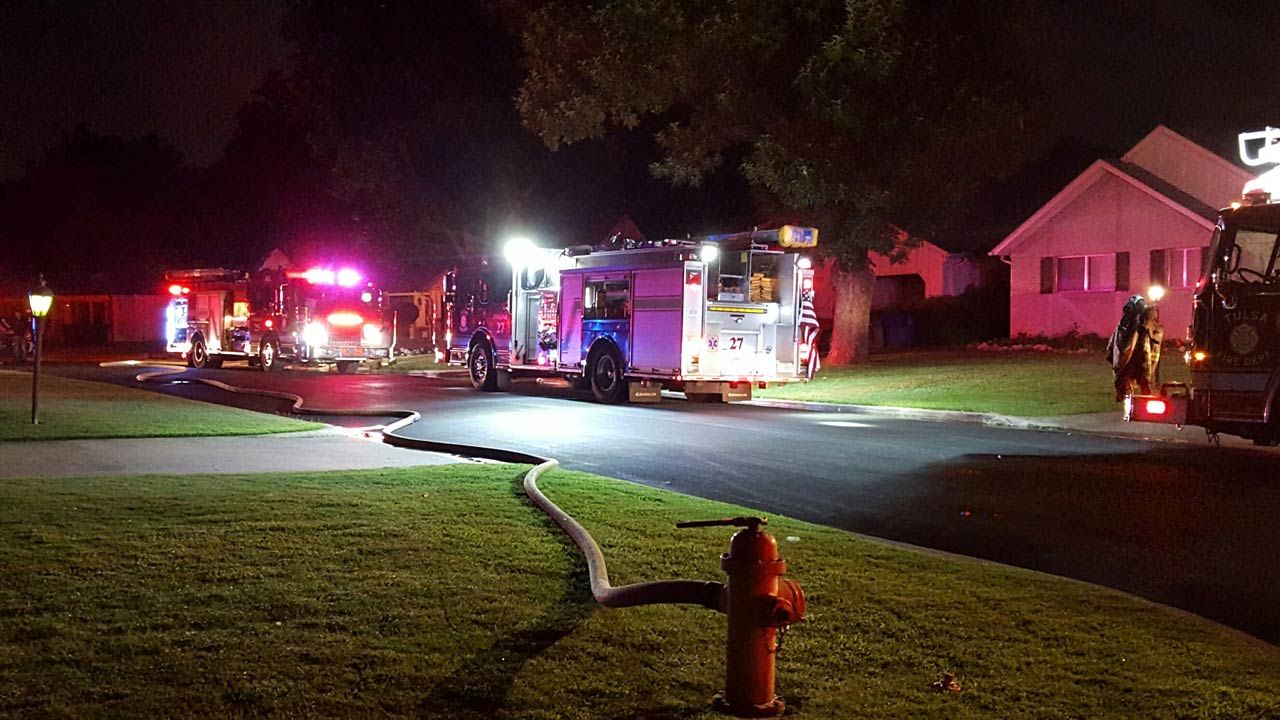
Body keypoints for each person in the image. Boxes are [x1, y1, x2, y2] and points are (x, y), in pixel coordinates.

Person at [1106, 296, 1163, 400]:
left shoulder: (1145, 320)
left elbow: (1153, 334)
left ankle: (1145, 395)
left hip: (1142, 355)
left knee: (1144, 377)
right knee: (1126, 375)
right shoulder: (1126, 322)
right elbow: (1120, 339)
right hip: (1130, 356)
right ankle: (1123, 394)